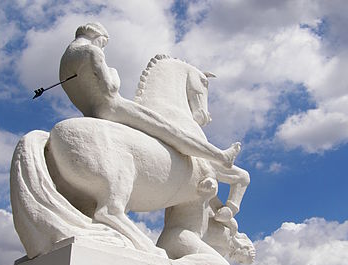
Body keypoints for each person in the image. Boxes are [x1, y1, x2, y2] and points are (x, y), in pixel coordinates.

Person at [59, 22, 240, 167]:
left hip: (89, 112)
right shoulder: (92, 51)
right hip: (111, 106)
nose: (103, 48)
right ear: (97, 37)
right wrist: (113, 72)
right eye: (104, 43)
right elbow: (110, 88)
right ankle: (221, 157)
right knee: (170, 130)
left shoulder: (65, 61)